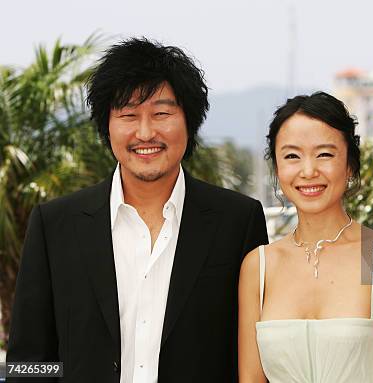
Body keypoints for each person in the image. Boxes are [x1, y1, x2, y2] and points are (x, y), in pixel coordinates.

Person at [7, 38, 268, 382]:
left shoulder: (239, 221)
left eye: (161, 113)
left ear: (189, 121)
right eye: (128, 115)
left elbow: (251, 357)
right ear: (107, 126)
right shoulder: (55, 224)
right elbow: (28, 363)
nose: (145, 132)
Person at [237, 92, 373, 382]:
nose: (308, 171)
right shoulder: (257, 267)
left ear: (349, 165)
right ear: (278, 169)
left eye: (324, 154)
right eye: (292, 156)